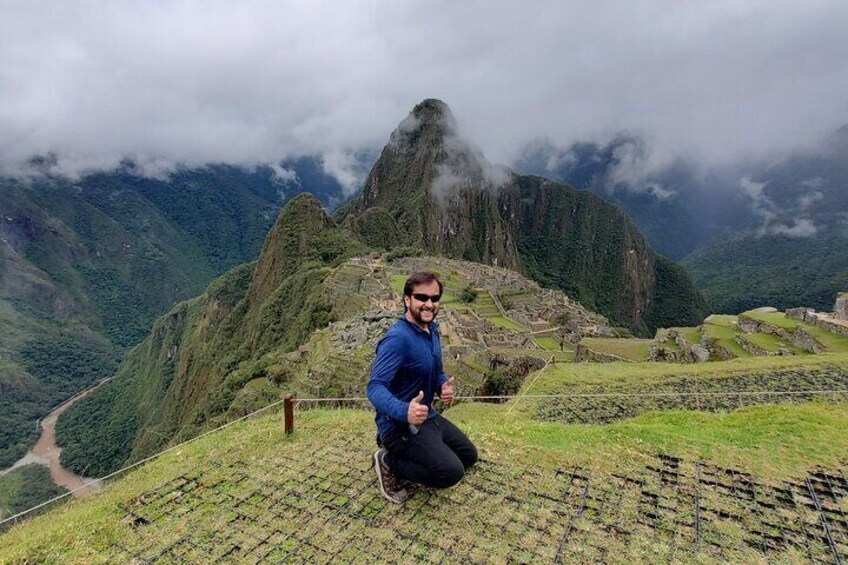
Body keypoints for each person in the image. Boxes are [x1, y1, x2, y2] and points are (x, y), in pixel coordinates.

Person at [366, 271, 478, 503]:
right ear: (407, 300)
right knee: (451, 473)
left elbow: (436, 371)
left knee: (468, 456)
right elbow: (374, 387)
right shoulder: (397, 339)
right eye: (422, 298)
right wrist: (404, 410)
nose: (429, 304)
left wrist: (442, 386)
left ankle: (420, 449)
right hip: (399, 427)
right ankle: (388, 462)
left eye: (434, 299)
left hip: (427, 415)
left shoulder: (432, 332)